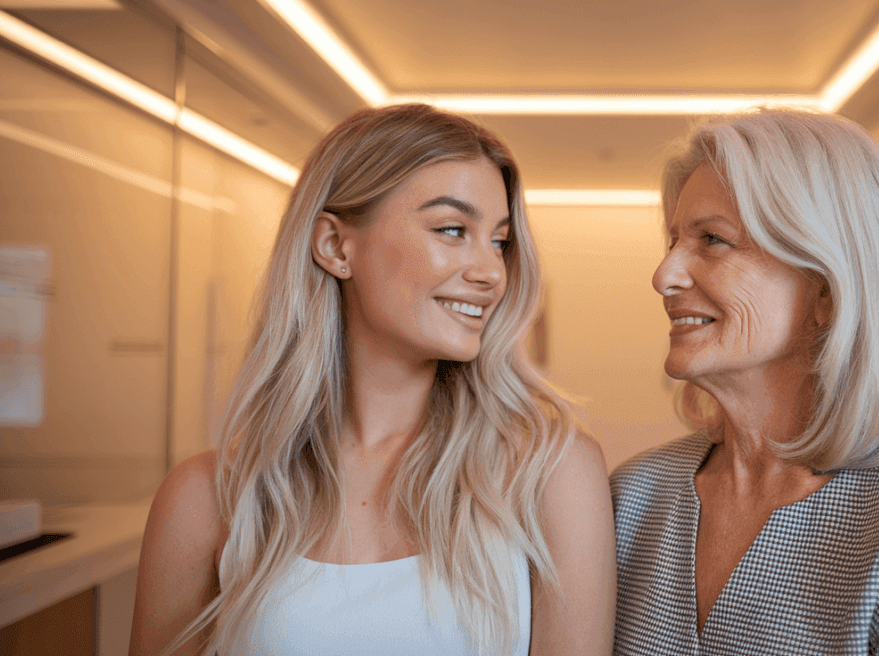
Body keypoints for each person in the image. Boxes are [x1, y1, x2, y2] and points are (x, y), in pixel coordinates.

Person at [130, 104, 615, 656]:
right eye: (453, 230)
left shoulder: (550, 473)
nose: (490, 272)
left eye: (498, 240)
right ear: (336, 247)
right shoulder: (206, 498)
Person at [610, 109, 879, 655]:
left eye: (713, 240)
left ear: (827, 290)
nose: (664, 274)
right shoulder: (634, 497)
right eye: (673, 240)